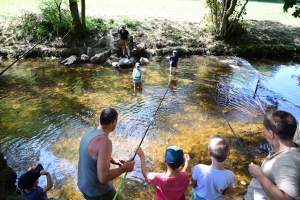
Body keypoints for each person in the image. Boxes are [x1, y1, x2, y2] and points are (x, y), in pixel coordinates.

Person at [77, 108, 135, 200]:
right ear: (114, 122)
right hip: (98, 193)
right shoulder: (105, 141)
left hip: (83, 187)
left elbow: (94, 155)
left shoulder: (90, 132)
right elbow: (103, 177)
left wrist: (112, 160)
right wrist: (124, 169)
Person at [245, 110, 300, 200]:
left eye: (265, 131)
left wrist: (259, 175)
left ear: (271, 134)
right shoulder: (293, 148)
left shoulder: (287, 164)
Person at [190, 135, 237, 200]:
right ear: (228, 154)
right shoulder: (230, 175)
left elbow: (192, 184)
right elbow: (226, 192)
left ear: (209, 154)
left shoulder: (199, 168)